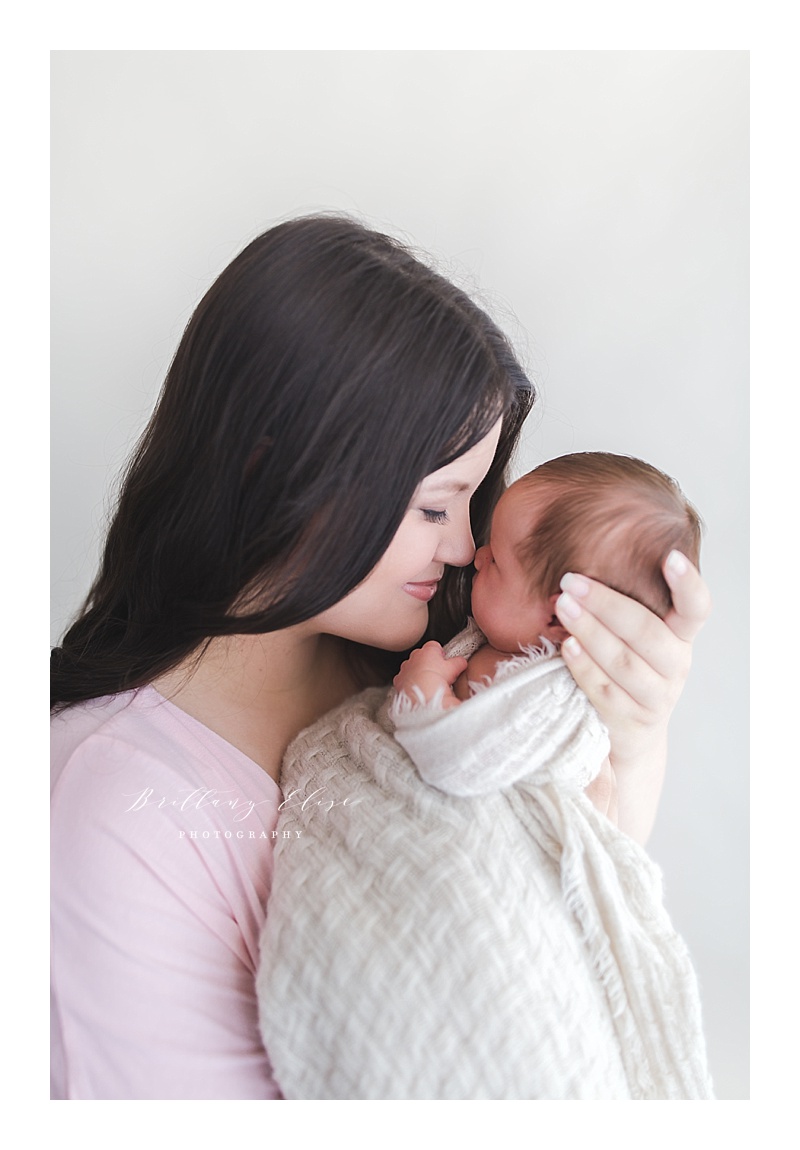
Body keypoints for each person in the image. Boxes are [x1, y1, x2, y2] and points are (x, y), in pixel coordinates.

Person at [51, 215, 711, 1100]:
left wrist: (632, 733)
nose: (466, 547)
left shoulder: (434, 676)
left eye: (475, 506)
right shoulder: (115, 807)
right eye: (437, 508)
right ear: (274, 468)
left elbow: (551, 937)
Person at [256, 452, 713, 1100]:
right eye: (438, 508)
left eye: (496, 560)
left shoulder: (545, 689)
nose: (471, 554)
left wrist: (422, 701)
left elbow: (462, 759)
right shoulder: (501, 646)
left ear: (560, 617)